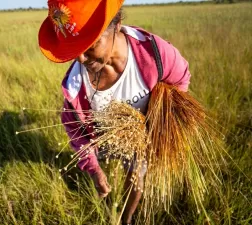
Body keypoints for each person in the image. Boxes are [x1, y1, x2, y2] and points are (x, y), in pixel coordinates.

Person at [38, 0, 191, 224]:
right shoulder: (76, 85)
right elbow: (75, 131)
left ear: (116, 24)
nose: (80, 58)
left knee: (137, 174)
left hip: (142, 138)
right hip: (102, 139)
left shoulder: (155, 54)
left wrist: (162, 124)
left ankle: (126, 219)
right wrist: (94, 170)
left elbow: (181, 80)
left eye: (90, 44)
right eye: (75, 49)